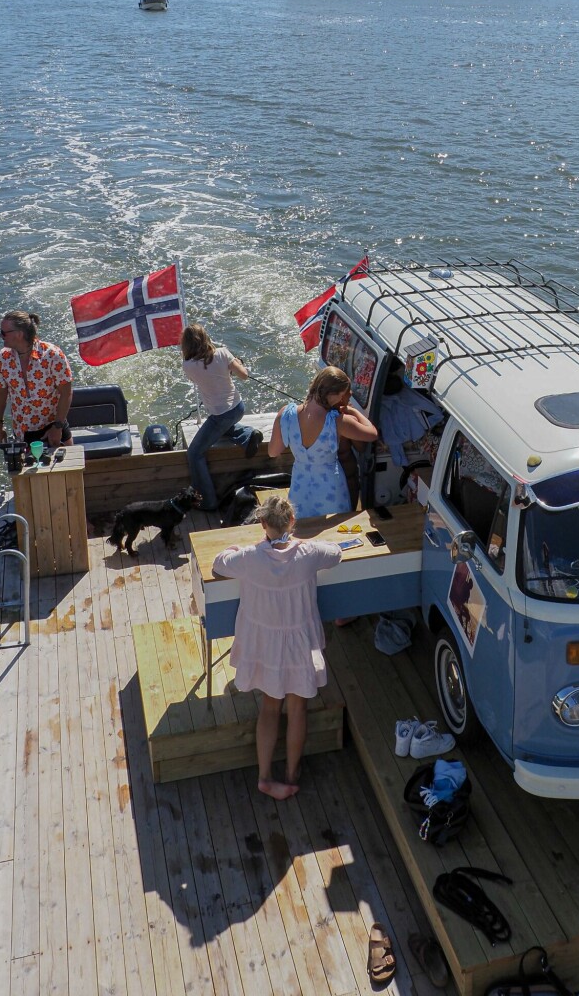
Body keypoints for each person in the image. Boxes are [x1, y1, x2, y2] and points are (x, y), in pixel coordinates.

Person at [211, 494, 342, 800]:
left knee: (271, 708)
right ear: (292, 522)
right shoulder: (309, 553)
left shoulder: (249, 558)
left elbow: (219, 564)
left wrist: (233, 548)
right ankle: (292, 774)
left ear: (263, 524)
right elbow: (336, 553)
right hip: (299, 644)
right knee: (298, 709)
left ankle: (265, 776)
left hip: (266, 646)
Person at [268, 367, 377, 518]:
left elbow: (273, 452)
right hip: (331, 489)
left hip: (300, 486)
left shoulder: (285, 413)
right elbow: (372, 434)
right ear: (334, 395)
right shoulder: (337, 421)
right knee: (334, 533)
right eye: (342, 395)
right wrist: (354, 412)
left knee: (301, 526)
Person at [181, 324, 263, 512]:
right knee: (223, 428)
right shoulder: (224, 353)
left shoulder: (188, 367)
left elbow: (205, 375)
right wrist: (237, 364)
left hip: (219, 415)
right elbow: (244, 375)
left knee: (194, 454)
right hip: (237, 408)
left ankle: (208, 502)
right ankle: (247, 435)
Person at [0, 311, 73, 450]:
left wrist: (58, 427)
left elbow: (66, 393)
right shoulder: (2, 359)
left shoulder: (52, 355)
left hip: (53, 429)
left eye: (3, 332)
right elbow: (0, 394)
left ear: (19, 334)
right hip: (23, 433)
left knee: (67, 470)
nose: (0, 336)